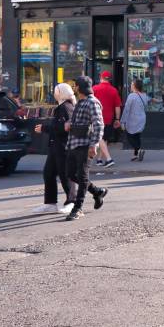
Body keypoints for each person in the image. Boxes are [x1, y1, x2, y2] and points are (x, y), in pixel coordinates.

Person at [64, 76, 109, 221]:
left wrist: (94, 144)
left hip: (85, 144)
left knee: (82, 177)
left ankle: (78, 208)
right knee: (71, 174)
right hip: (73, 143)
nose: (74, 88)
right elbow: (77, 120)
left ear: (79, 87)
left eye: (75, 86)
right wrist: (69, 123)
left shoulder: (92, 102)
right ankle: (97, 191)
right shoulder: (80, 102)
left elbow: (99, 124)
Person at [32, 83, 76, 215]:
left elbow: (65, 127)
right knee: (48, 173)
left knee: (65, 174)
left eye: (56, 91)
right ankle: (50, 203)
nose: (54, 93)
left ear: (61, 93)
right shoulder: (62, 106)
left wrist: (44, 128)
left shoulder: (65, 107)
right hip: (55, 146)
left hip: (63, 146)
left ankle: (72, 202)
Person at [92, 70, 123, 168]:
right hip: (109, 118)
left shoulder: (94, 88)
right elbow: (117, 106)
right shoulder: (114, 90)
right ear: (109, 79)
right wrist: (117, 119)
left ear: (101, 78)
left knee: (99, 138)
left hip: (97, 117)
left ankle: (109, 159)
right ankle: (99, 159)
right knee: (104, 139)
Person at [122, 79, 149, 162]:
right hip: (142, 118)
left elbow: (126, 109)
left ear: (134, 86)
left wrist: (122, 121)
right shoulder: (144, 95)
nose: (130, 85)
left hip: (133, 119)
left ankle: (139, 149)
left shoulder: (131, 96)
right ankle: (136, 155)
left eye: (131, 84)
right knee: (137, 136)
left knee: (129, 136)